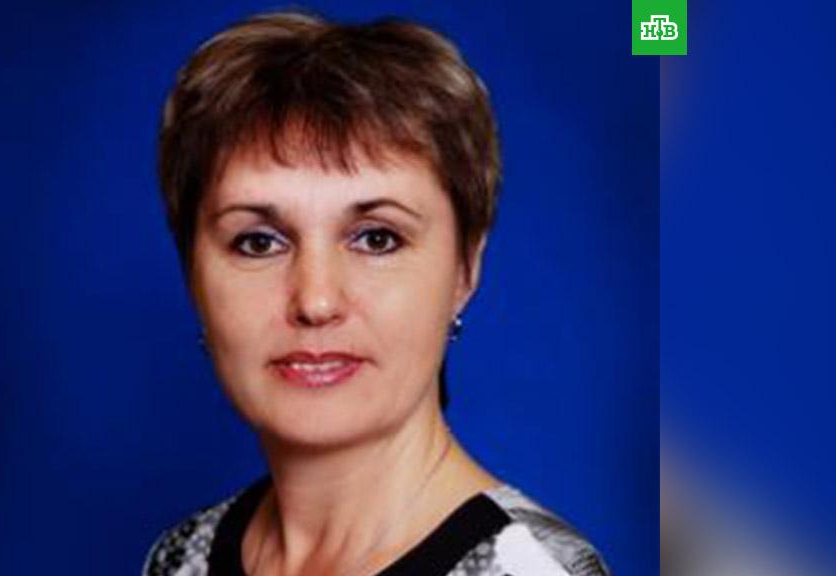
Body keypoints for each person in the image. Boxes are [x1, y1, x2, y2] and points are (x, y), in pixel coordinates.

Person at [144, 11, 609, 576]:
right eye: (259, 242)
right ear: (192, 272)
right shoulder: (179, 557)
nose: (315, 301)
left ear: (465, 268)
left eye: (377, 238)